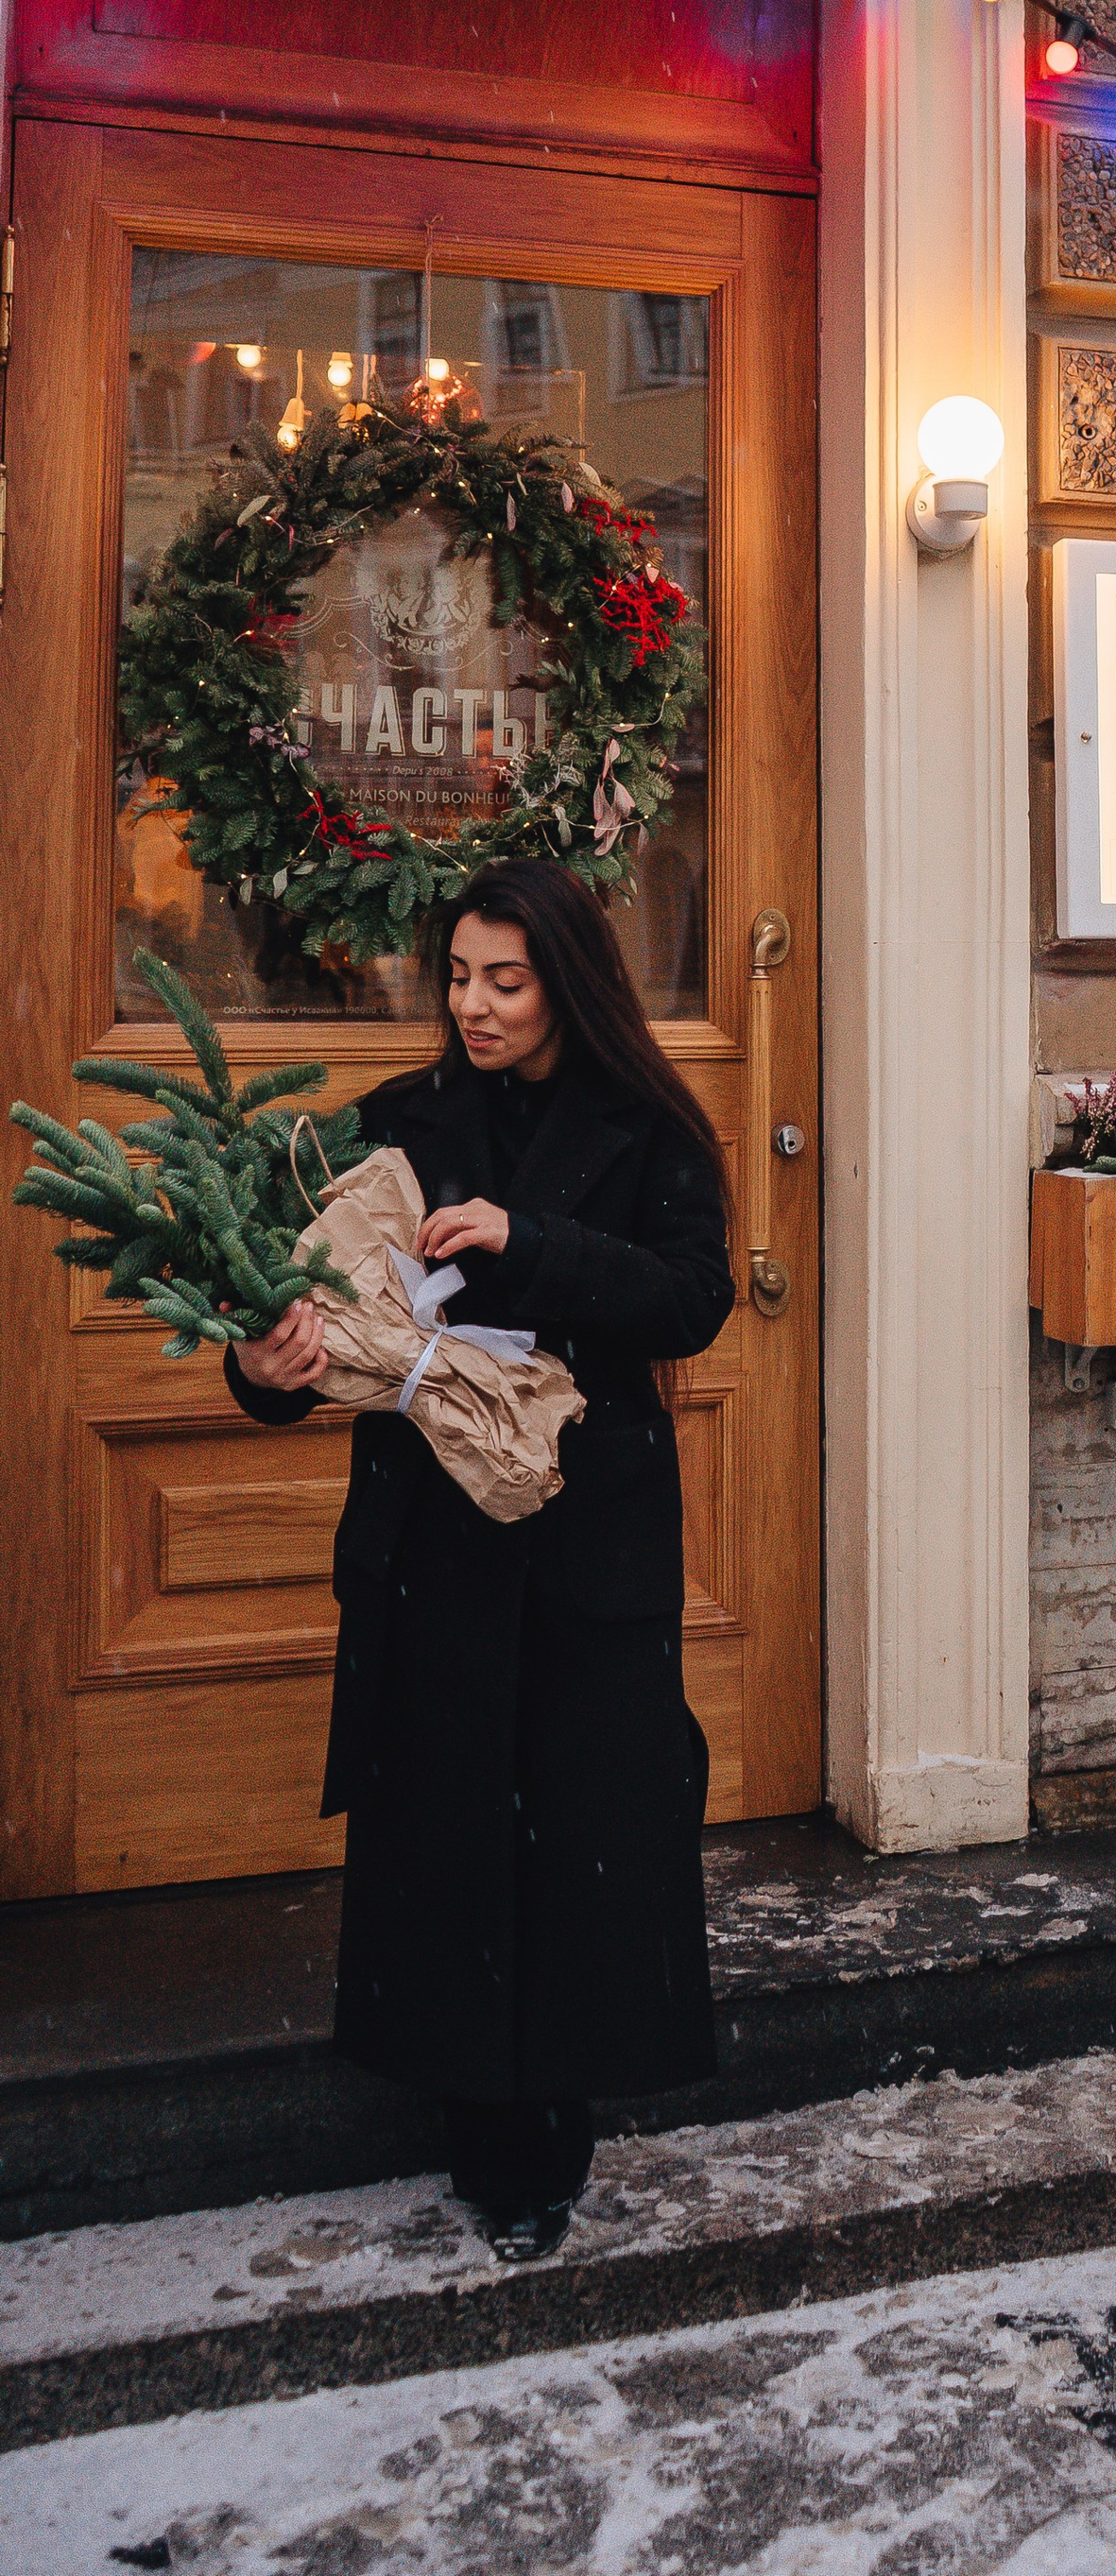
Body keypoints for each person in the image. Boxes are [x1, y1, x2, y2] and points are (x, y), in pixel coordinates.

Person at [228, 854, 734, 2259]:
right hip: (431, 1538)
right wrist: (263, 1369)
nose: (475, 1006)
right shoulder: (398, 1123)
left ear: (568, 978)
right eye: (458, 978)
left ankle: (551, 2123)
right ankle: (465, 2105)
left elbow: (692, 1301)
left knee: (580, 1817)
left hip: (585, 1533)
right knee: (444, 1814)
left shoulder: (648, 1126)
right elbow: (298, 1315)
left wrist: (532, 1241)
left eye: (505, 980)